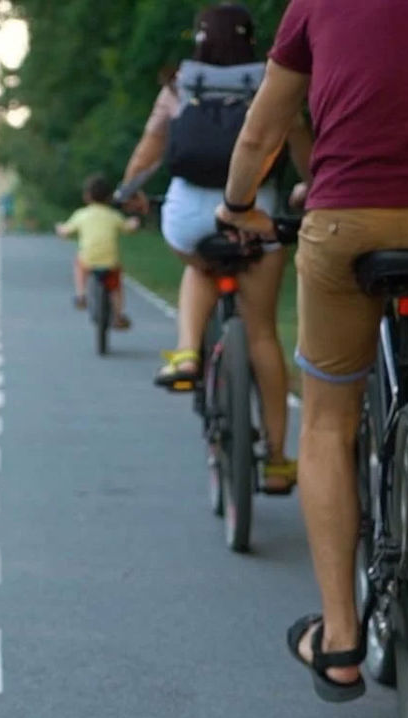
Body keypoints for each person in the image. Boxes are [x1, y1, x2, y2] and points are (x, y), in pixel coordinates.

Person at [216, 0, 408, 700]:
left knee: (329, 421)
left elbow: (263, 128)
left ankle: (338, 638)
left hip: (344, 221)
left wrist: (237, 204)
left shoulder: (314, 6)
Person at [112, 2, 297, 495]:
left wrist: (128, 189)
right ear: (251, 42)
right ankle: (278, 460)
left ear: (198, 40)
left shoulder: (180, 85)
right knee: (262, 335)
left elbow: (150, 150)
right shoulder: (272, 81)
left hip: (190, 216)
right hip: (256, 213)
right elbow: (302, 148)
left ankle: (188, 355)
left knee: (199, 263)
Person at [56, 175, 140, 330]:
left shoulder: (82, 215)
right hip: (110, 261)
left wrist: (60, 228)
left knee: (79, 264)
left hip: (89, 259)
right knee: (116, 286)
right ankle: (118, 315)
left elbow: (66, 231)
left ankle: (81, 295)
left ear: (87, 196)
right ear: (109, 197)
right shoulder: (113, 216)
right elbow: (128, 228)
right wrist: (134, 223)